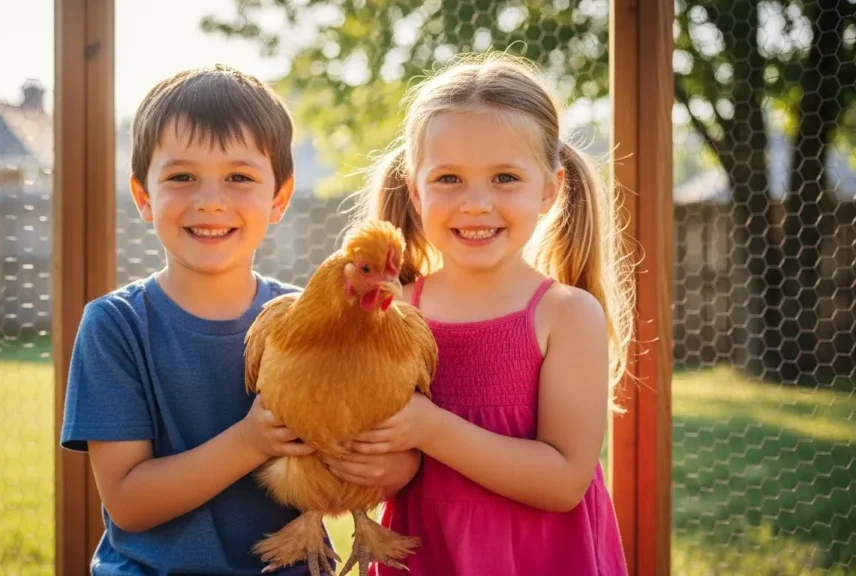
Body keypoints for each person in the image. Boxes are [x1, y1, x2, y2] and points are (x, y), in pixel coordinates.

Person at [59, 64, 418, 575]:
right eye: (182, 177)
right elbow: (129, 504)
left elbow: (394, 449)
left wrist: (393, 466)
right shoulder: (115, 327)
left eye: (239, 177)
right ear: (143, 197)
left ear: (279, 198)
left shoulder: (320, 322)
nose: (211, 200)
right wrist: (250, 442)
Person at [337, 52, 635, 575]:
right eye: (449, 178)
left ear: (550, 190)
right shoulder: (395, 311)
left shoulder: (566, 316)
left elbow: (564, 482)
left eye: (504, 178)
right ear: (415, 189)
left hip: (540, 558)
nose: (476, 203)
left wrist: (429, 430)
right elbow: (379, 460)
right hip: (427, 555)